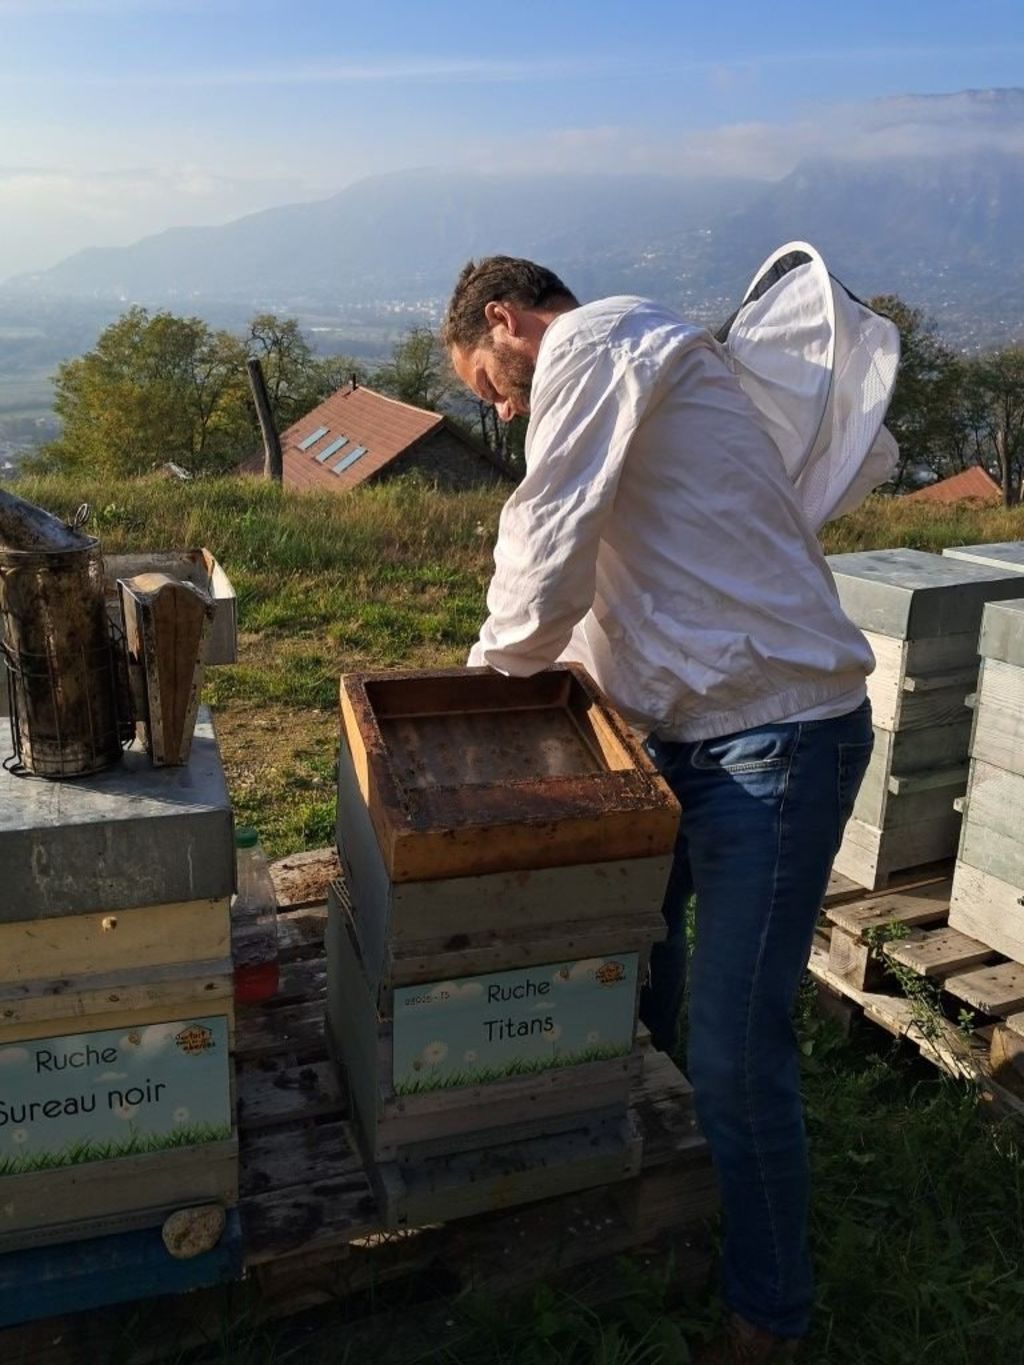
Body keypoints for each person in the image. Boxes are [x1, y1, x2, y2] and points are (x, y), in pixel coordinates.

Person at [441, 256, 877, 1365]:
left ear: (508, 321)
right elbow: (612, 588)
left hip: (771, 739)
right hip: (685, 736)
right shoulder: (645, 362)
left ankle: (766, 1320)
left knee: (736, 1050)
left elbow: (547, 545)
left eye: (488, 383)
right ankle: (658, 1193)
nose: (498, 407)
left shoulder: (595, 343)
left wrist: (468, 708)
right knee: (637, 970)